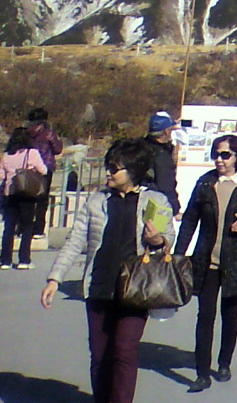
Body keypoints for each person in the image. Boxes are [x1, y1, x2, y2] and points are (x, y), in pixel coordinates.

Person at [42, 138, 173, 403]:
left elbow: (168, 237)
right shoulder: (97, 200)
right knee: (100, 355)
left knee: (124, 351)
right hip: (99, 286)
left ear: (134, 170)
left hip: (136, 289)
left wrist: (159, 240)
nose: (109, 173)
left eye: (115, 168)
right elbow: (75, 241)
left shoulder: (155, 200)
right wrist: (55, 278)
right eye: (108, 167)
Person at [176, 134, 237, 392]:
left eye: (225, 155)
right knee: (205, 316)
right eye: (216, 154)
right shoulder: (205, 183)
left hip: (235, 261)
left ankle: (224, 362)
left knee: (230, 314)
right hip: (206, 260)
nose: (219, 159)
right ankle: (202, 373)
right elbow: (189, 220)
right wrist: (178, 254)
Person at [2, 127, 48, 269]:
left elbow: (1, 176)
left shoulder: (6, 155)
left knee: (9, 227)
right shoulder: (31, 153)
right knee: (27, 226)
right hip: (26, 194)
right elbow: (44, 170)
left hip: (10, 192)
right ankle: (24, 259)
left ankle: (5, 260)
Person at [26, 107, 63, 238]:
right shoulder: (48, 133)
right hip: (46, 167)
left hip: (29, 168)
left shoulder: (26, 132)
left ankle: (24, 227)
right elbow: (57, 149)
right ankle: (38, 229)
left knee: (28, 197)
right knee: (42, 199)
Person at [143, 111, 181, 217]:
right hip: (155, 207)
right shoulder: (161, 155)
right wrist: (175, 209)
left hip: (135, 201)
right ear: (166, 132)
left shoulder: (141, 146)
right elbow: (166, 185)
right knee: (158, 232)